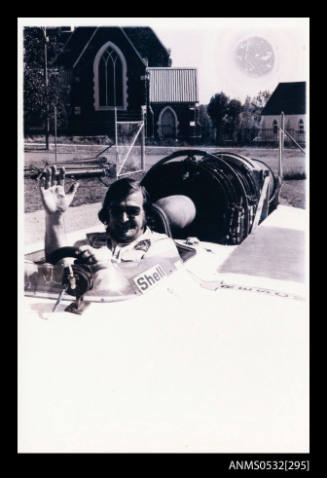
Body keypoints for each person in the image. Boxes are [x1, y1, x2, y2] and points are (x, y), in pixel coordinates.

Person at [39, 166, 181, 273]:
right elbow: (61, 267)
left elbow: (145, 291)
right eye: (116, 211)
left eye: (133, 211)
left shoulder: (162, 246)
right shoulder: (87, 243)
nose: (124, 219)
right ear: (107, 214)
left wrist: (105, 264)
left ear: (146, 215)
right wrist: (55, 217)